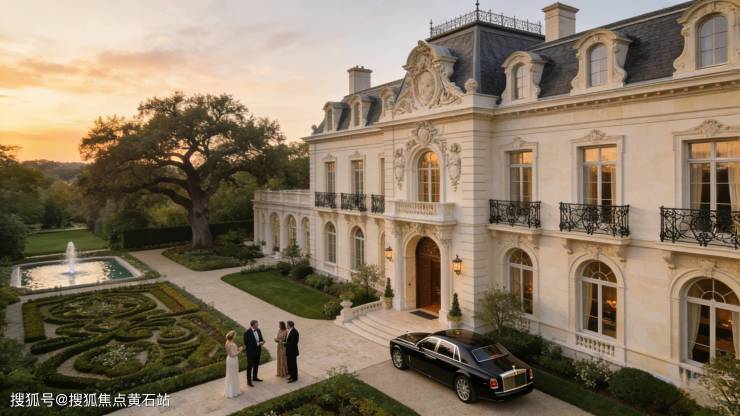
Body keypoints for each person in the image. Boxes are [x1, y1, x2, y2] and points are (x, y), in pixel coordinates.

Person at [243, 320, 265, 386]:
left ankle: (255, 377)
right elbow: (247, 343)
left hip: (258, 351)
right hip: (251, 352)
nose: (257, 325)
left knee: (256, 365)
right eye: (256, 325)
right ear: (253, 325)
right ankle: (249, 381)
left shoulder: (258, 330)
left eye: (257, 324)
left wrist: (262, 342)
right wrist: (258, 344)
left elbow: (261, 338)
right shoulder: (247, 333)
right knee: (250, 366)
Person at [224, 330, 243, 398]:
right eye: (235, 335)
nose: (235, 336)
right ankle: (233, 392)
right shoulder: (230, 344)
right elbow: (232, 355)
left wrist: (237, 349)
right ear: (232, 336)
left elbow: (232, 351)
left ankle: (233, 390)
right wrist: (240, 351)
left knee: (232, 374)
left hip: (230, 360)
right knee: (233, 375)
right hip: (232, 360)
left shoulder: (228, 342)